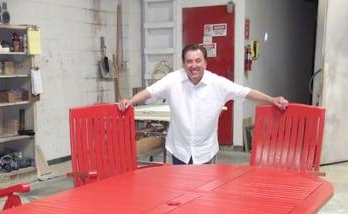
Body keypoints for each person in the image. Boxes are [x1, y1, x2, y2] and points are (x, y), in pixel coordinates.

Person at [118, 43, 289, 165]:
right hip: (180, 149)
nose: (194, 66)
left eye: (198, 61)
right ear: (183, 64)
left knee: (204, 197)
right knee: (181, 194)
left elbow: (247, 92)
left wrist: (272, 100)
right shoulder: (172, 80)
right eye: (189, 61)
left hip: (205, 151)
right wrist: (130, 101)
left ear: (206, 63)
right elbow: (150, 91)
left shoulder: (218, 84)